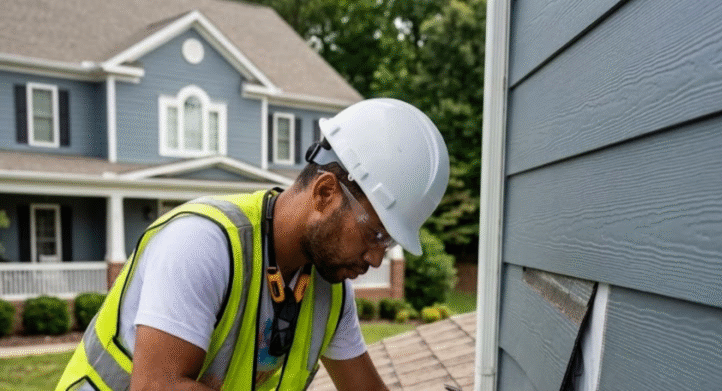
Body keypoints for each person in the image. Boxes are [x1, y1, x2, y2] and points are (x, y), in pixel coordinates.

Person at [56, 98, 450, 391]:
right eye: (375, 235)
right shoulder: (204, 245)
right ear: (326, 192)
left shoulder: (328, 294)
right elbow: (156, 387)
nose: (377, 258)